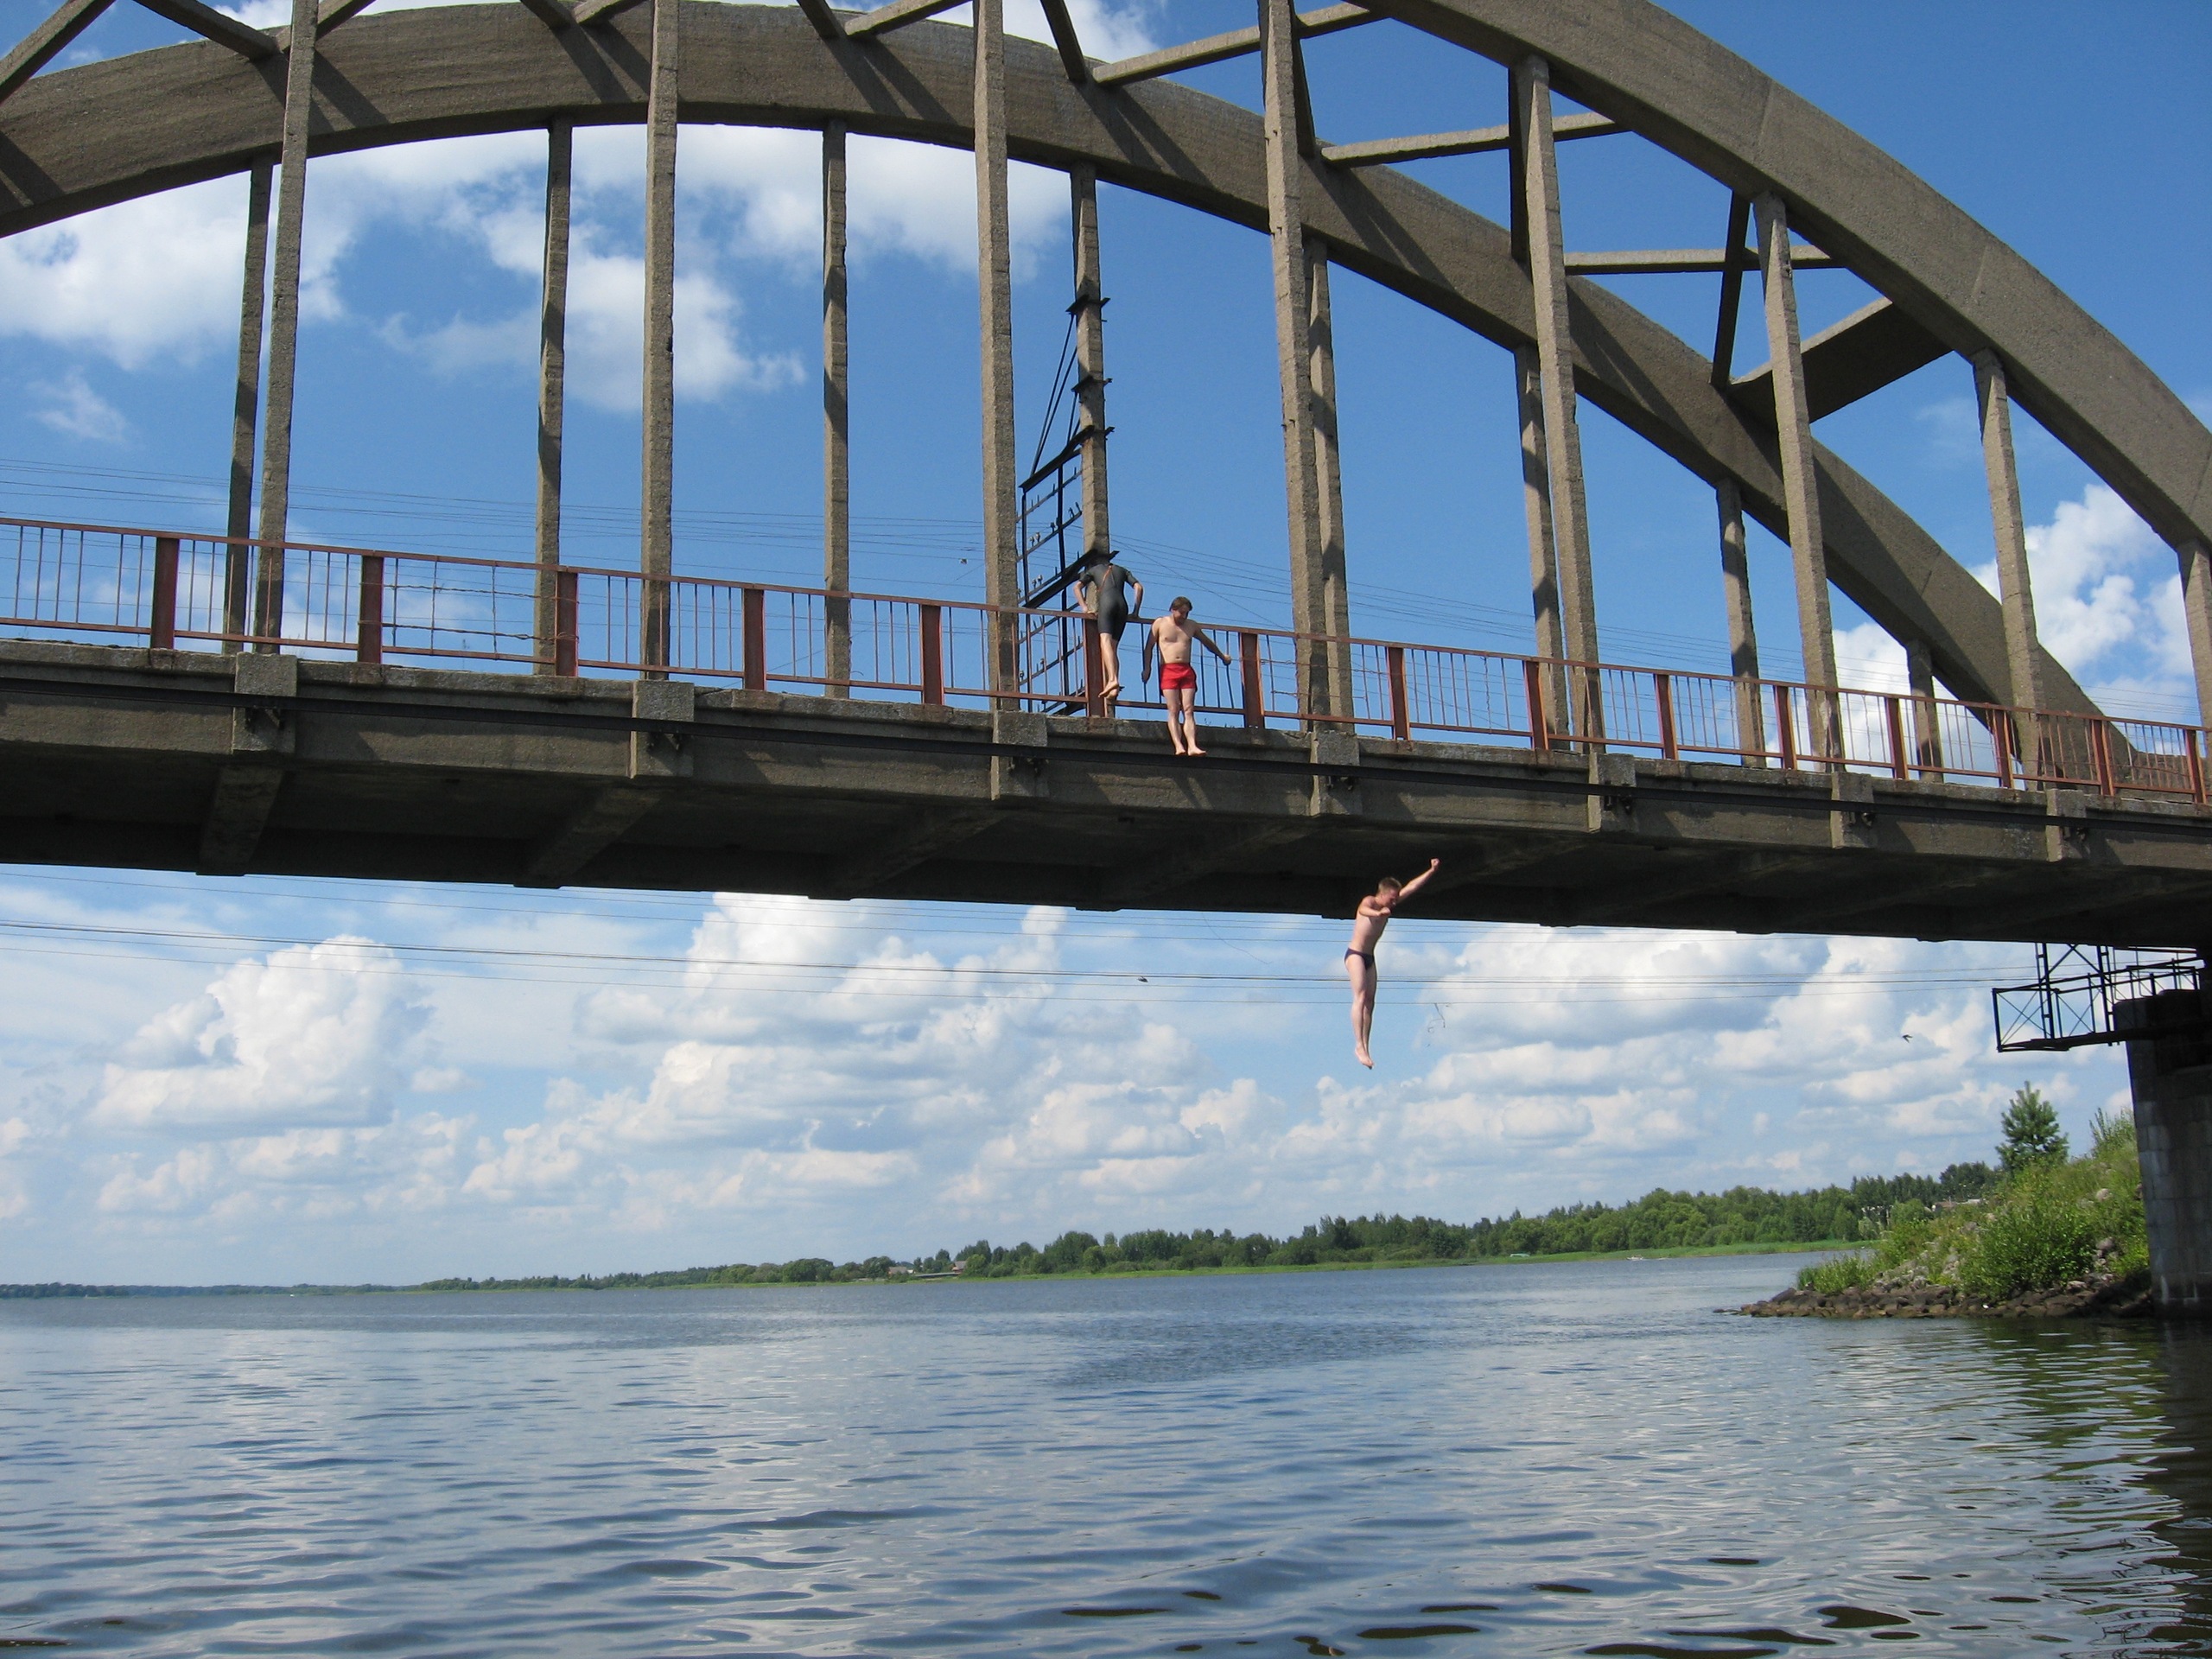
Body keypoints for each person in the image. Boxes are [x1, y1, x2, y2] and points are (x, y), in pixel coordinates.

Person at [1344, 858, 1441, 1068]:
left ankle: (1366, 1046)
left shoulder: (1390, 904)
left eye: (1396, 899)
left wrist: (1431, 871)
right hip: (1355, 955)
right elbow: (1363, 910)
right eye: (1392, 899)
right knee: (1360, 997)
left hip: (1370, 958)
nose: (1394, 903)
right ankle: (1358, 1045)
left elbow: (1412, 887)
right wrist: (1378, 913)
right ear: (1383, 894)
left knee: (1370, 1001)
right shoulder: (1371, 902)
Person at [1145, 596, 1232, 756]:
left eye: (1186, 613)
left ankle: (1192, 745)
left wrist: (1222, 656)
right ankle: (1178, 745)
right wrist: (1147, 669)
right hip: (1168, 669)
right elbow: (1149, 647)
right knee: (1174, 709)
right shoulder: (1160, 623)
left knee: (1188, 709)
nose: (1184, 616)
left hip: (1186, 669)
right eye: (1181, 613)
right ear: (1173, 609)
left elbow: (1207, 643)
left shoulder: (1192, 625)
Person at [1079, 551, 1141, 715]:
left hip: (1107, 605)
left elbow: (1076, 587)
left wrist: (1085, 608)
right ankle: (1114, 687)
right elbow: (1139, 587)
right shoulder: (1122, 570)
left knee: (1105, 643)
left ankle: (1112, 680)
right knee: (1113, 648)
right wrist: (1136, 611)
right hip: (1123, 607)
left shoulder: (1094, 570)